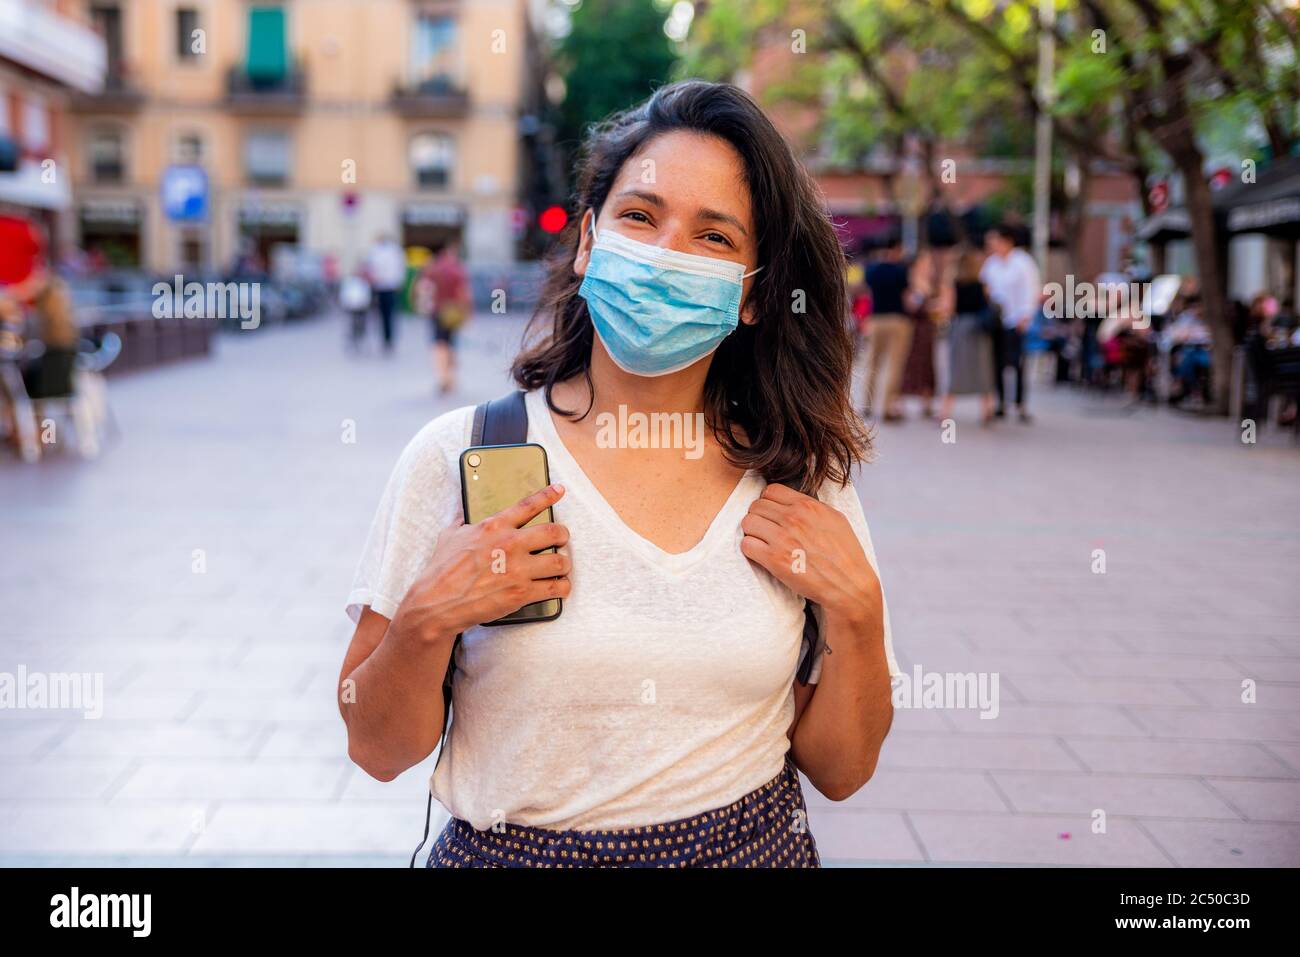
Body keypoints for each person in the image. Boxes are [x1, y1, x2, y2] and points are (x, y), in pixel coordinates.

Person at [338, 80, 899, 869]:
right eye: (641, 216)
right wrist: (426, 618)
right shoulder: (460, 456)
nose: (666, 252)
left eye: (713, 237)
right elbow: (375, 746)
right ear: (589, 241)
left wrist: (861, 614)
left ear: (752, 296)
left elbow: (842, 769)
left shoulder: (798, 477)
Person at [980, 225, 1039, 423]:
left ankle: (1020, 403)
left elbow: (1031, 289)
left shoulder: (1023, 263)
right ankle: (1001, 403)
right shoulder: (991, 264)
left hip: (1016, 319)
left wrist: (1026, 315)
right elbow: (985, 288)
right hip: (997, 321)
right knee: (996, 362)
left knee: (1017, 363)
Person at [937, 246, 996, 424]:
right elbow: (989, 304)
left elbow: (948, 308)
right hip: (979, 329)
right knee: (983, 369)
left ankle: (944, 412)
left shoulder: (954, 285)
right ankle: (987, 410)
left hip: (960, 328)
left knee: (956, 369)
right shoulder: (982, 285)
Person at [862, 235, 913, 421]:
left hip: (875, 320)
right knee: (894, 365)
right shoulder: (901, 270)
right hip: (897, 319)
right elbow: (908, 298)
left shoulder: (871, 269)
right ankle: (886, 408)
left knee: (872, 364)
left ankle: (866, 404)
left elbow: (866, 292)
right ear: (897, 248)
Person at [418, 244, 471, 394]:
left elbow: (423, 288)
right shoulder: (457, 270)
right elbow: (464, 293)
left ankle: (442, 377)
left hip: (437, 311)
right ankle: (451, 377)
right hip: (454, 311)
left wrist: (425, 306)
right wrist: (468, 312)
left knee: (439, 344)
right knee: (451, 344)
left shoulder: (432, 269)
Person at [900, 247, 938, 419]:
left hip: (928, 327)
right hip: (914, 327)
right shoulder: (911, 281)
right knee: (910, 362)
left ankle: (927, 400)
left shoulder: (930, 281)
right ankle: (900, 400)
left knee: (928, 364)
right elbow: (910, 305)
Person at [365, 234, 406, 353]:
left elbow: (398, 268)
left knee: (388, 314)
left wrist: (398, 282)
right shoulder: (376, 251)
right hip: (380, 286)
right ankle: (385, 338)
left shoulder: (392, 251)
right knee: (382, 315)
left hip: (389, 286)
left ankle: (388, 338)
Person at [338, 269, 372, 352]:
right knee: (353, 324)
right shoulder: (349, 282)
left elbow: (367, 295)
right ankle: (354, 339)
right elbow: (344, 295)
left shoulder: (363, 283)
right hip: (352, 307)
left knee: (361, 324)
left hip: (361, 307)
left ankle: (360, 338)